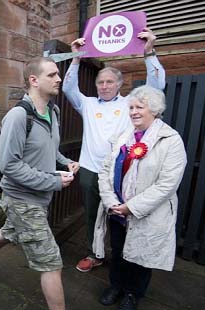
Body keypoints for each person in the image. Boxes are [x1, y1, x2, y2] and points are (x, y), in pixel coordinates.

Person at [0, 57, 79, 310]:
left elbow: (50, 147)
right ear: (33, 80)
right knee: (51, 262)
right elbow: (11, 167)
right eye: (52, 74)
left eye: (58, 75)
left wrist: (65, 161)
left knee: (11, 232)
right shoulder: (18, 116)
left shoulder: (53, 111)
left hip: (40, 197)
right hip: (20, 198)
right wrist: (54, 181)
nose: (58, 79)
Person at [62, 28, 166, 273]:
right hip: (89, 170)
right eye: (100, 82)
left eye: (110, 81)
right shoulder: (87, 104)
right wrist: (76, 57)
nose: (105, 85)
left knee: (120, 219)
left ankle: (123, 258)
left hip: (120, 172)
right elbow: (67, 89)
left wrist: (149, 52)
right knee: (91, 216)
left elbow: (157, 87)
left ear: (120, 84)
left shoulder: (130, 104)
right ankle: (94, 253)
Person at [93, 85, 187, 310]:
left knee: (140, 256)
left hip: (144, 213)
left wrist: (131, 207)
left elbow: (167, 184)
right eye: (131, 107)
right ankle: (116, 285)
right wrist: (111, 202)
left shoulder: (170, 140)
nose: (133, 112)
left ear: (154, 110)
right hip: (116, 210)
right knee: (117, 250)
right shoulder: (122, 137)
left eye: (139, 107)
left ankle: (133, 294)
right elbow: (105, 170)